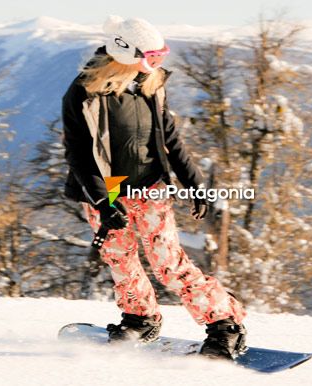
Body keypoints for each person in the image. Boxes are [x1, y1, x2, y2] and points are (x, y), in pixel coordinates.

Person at [60, 15, 248, 359]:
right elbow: (80, 155)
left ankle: (225, 324)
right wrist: (105, 203)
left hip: (149, 184)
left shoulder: (150, 85)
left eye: (160, 58)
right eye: (151, 59)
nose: (156, 66)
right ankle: (140, 317)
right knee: (120, 257)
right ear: (124, 52)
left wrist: (194, 183)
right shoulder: (84, 93)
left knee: (167, 262)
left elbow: (169, 139)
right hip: (110, 185)